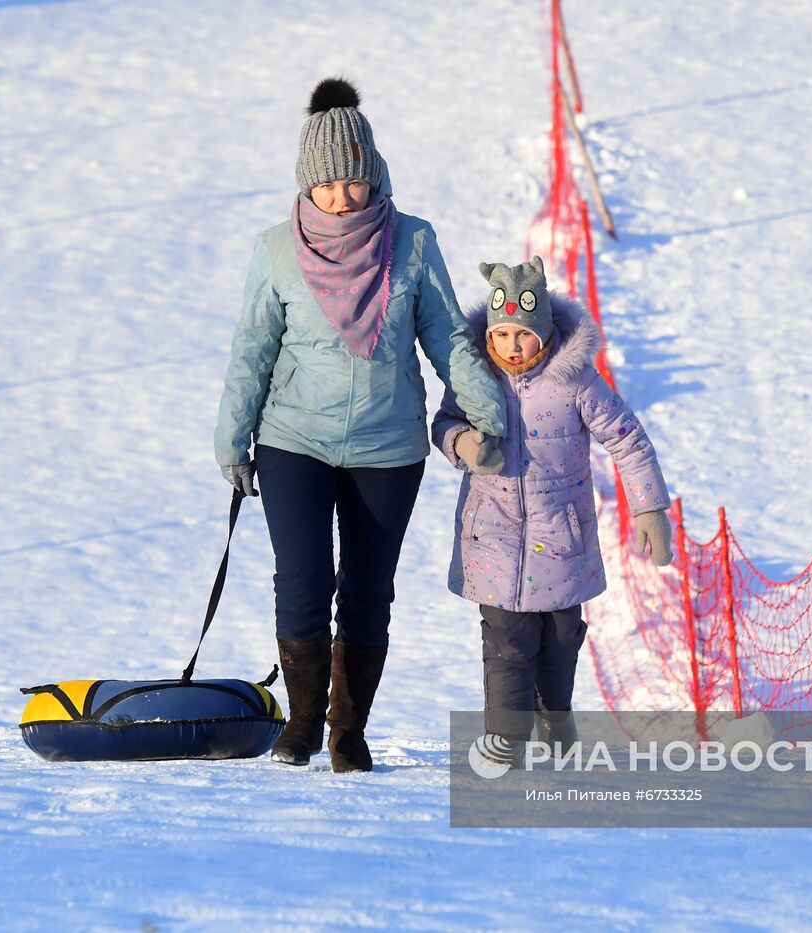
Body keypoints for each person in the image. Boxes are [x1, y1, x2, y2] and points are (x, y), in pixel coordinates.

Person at [213, 78, 507, 772]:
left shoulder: (411, 241)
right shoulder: (276, 250)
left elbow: (444, 336)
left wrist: (487, 413)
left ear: (372, 175)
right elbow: (252, 347)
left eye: (352, 181)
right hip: (294, 440)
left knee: (369, 589)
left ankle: (349, 732)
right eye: (326, 185)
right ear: (305, 186)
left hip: (387, 446)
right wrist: (232, 435)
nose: (341, 197)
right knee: (304, 578)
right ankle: (301, 726)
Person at [431, 256, 674, 764]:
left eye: (522, 336)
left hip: (562, 540)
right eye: (501, 337)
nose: (511, 347)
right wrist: (464, 445)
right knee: (506, 646)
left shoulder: (577, 383)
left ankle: (556, 718)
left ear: (543, 335)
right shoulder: (475, 380)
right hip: (492, 537)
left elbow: (628, 441)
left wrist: (649, 508)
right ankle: (507, 743)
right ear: (489, 337)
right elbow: (444, 423)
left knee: (561, 642)